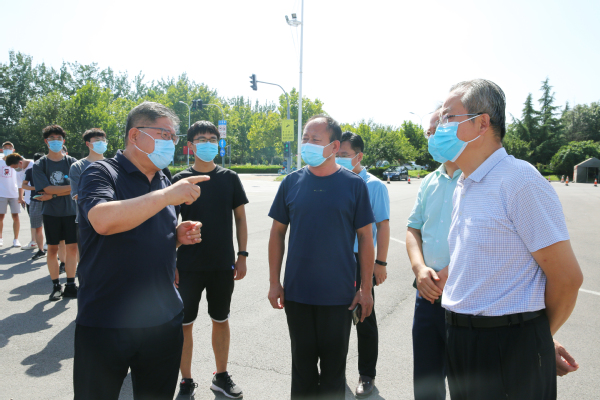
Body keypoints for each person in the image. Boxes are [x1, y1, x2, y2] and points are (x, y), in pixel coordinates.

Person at [428, 79, 583, 399]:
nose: (439, 127)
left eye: (449, 117)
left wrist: (535, 340)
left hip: (508, 349)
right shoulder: (464, 184)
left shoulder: (519, 180)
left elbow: (567, 279)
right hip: (461, 341)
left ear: (482, 123)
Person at [73, 101, 208, 400]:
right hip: (106, 320)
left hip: (163, 320)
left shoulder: (163, 179)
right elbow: (103, 221)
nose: (171, 142)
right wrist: (166, 196)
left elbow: (146, 231)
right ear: (135, 135)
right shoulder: (101, 172)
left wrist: (176, 237)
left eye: (173, 137)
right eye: (164, 134)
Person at [268, 115, 375, 400]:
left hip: (339, 297)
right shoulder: (291, 182)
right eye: (305, 138)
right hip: (298, 294)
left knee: (333, 374)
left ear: (334, 146)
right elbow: (277, 233)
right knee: (302, 370)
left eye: (315, 140)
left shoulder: (354, 185)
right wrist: (274, 282)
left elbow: (366, 237)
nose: (308, 144)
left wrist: (365, 289)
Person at [173, 121, 249, 399]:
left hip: (221, 264)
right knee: (184, 325)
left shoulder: (230, 177)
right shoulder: (180, 179)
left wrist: (242, 255)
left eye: (212, 139)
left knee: (221, 319)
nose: (208, 143)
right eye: (201, 139)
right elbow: (167, 223)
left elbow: (240, 219)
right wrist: (170, 262)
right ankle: (186, 381)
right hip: (187, 266)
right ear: (190, 145)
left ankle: (221, 376)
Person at [405, 109, 460, 400]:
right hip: (426, 292)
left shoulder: (474, 179)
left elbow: (481, 239)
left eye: (435, 131)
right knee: (427, 379)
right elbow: (413, 228)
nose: (431, 138)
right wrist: (420, 269)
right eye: (429, 133)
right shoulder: (429, 181)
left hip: (462, 295)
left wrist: (448, 275)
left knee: (465, 381)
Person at [336, 131, 390, 398]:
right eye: (337, 154)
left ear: (359, 156)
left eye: (344, 155)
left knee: (364, 317)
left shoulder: (374, 186)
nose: (339, 159)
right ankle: (334, 374)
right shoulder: (334, 179)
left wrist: (380, 263)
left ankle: (366, 375)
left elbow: (383, 225)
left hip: (361, 260)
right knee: (335, 318)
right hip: (336, 258)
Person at [33, 126, 79, 301]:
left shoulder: (72, 162)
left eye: (59, 138)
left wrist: (53, 194)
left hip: (71, 212)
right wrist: (67, 188)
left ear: (63, 141)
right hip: (51, 213)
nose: (56, 141)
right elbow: (46, 188)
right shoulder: (40, 164)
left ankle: (70, 284)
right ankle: (56, 285)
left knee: (72, 248)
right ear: (46, 141)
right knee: (52, 249)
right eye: (52, 138)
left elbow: (78, 185)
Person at [69, 128, 107, 254]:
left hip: (111, 219)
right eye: (97, 140)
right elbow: (77, 195)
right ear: (88, 144)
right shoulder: (77, 166)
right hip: (86, 221)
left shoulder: (113, 164)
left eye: (103, 140)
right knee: (86, 258)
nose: (101, 142)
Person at [4, 152, 37, 249]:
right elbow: (20, 185)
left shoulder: (34, 166)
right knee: (33, 221)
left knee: (43, 222)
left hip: (39, 198)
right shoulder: (19, 171)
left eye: (15, 167)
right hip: (28, 199)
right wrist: (20, 197)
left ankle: (47, 243)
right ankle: (33, 242)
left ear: (20, 162)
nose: (15, 169)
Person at [21, 153, 47, 260]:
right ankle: (41, 250)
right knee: (37, 227)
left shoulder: (49, 170)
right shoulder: (29, 171)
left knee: (53, 226)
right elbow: (24, 185)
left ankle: (56, 251)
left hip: (50, 200)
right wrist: (36, 187)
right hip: (35, 201)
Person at [0, 141, 25, 248]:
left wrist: (21, 195)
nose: (7, 149)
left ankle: (16, 239)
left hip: (14, 193)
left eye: (10, 148)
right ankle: (0, 238)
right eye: (5, 147)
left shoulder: (18, 162)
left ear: (13, 150)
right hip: (1, 193)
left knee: (15, 216)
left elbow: (21, 180)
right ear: (1, 150)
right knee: (1, 217)